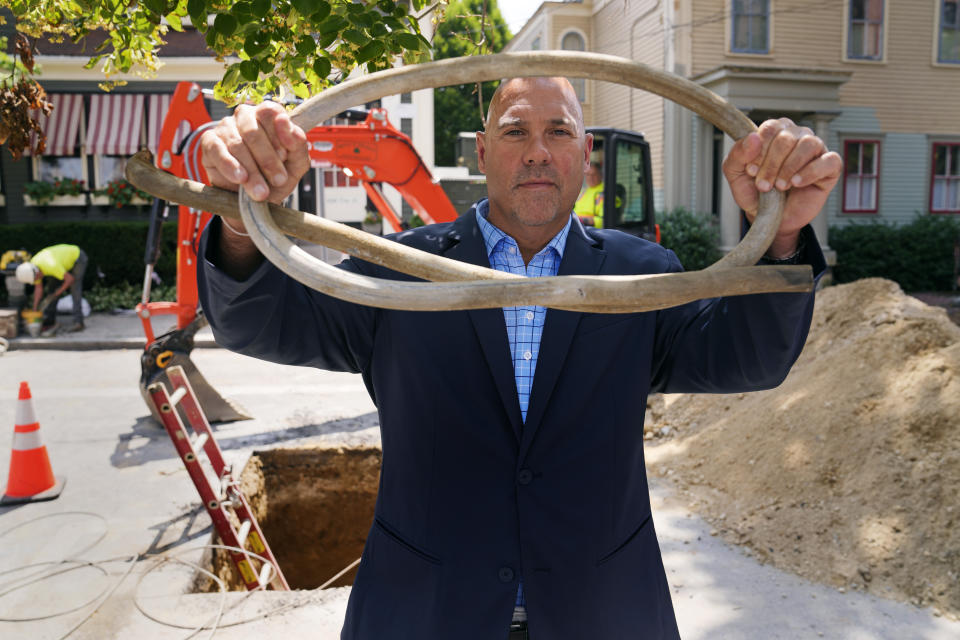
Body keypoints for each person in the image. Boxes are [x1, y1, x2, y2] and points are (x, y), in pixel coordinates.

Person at [197, 77, 841, 639]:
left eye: (559, 131)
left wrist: (779, 232)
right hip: (428, 614)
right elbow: (261, 323)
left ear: (586, 156)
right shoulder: (397, 271)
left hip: (602, 613)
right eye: (515, 131)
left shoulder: (643, 274)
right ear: (482, 152)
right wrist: (239, 213)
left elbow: (750, 359)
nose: (538, 150)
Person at [15, 244, 88, 333]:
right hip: (60, 262)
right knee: (52, 289)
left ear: (37, 273)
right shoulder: (33, 268)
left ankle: (79, 322)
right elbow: (38, 288)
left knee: (75, 289)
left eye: (36, 279)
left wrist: (58, 293)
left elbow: (70, 279)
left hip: (77, 257)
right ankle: (50, 320)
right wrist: (34, 309)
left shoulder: (51, 266)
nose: (36, 281)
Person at [573, 161, 604, 227]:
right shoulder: (583, 192)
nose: (590, 178)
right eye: (588, 174)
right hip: (577, 227)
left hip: (592, 231)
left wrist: (582, 220)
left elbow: (604, 220)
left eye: (594, 174)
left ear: (601, 175)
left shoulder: (605, 192)